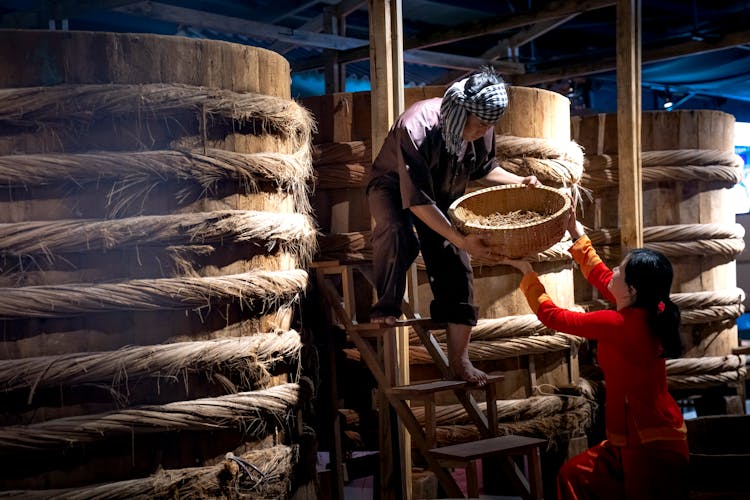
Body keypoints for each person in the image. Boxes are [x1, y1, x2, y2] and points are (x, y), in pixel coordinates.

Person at [366, 66, 539, 386]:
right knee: (398, 232)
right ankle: (386, 305)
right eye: (481, 125)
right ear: (460, 113)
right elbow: (416, 200)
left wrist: (519, 182)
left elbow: (484, 170)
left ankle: (460, 359)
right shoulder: (416, 126)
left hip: (443, 192)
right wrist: (460, 238)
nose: (484, 131)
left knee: (457, 264)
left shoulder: (482, 125)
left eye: (490, 125)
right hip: (392, 186)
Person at [503, 207, 689, 500]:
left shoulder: (618, 323)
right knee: (573, 477)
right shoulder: (650, 307)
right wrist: (575, 232)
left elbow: (554, 317)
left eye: (621, 269)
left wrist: (527, 273)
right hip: (633, 437)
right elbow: (603, 277)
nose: (613, 271)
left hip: (649, 444)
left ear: (631, 289)